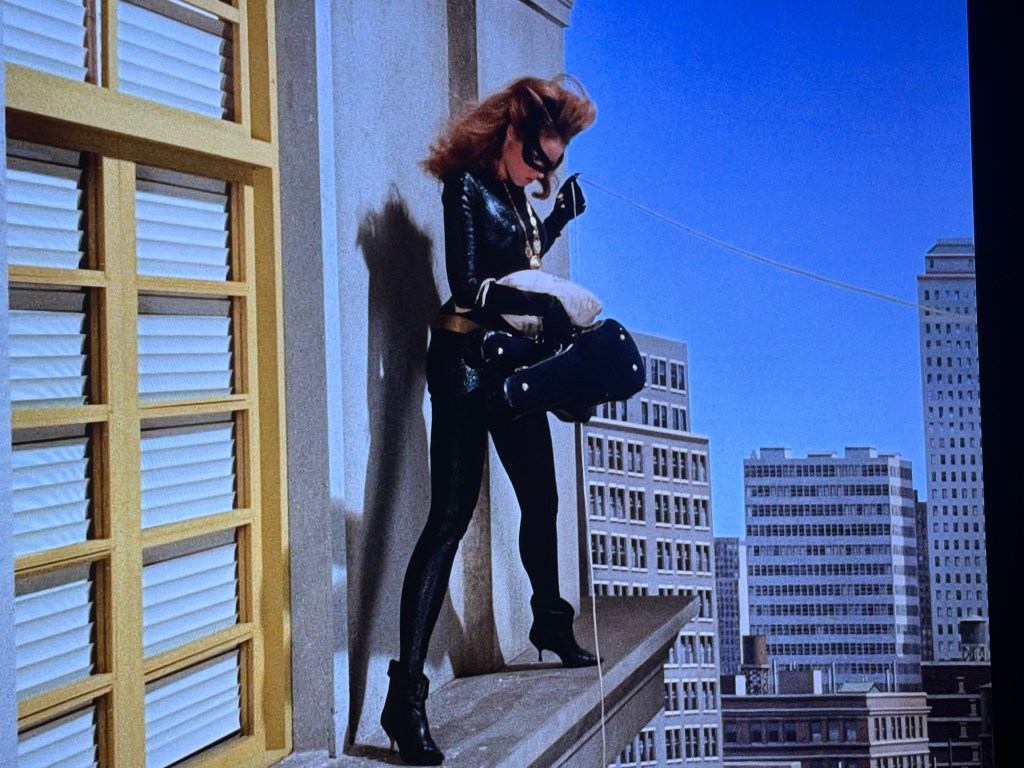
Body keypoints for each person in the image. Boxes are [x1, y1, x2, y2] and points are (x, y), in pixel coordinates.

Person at [380, 75, 598, 766]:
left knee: (542, 495)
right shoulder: (466, 186)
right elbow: (470, 283)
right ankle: (403, 696)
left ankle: (550, 624)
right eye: (538, 159)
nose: (543, 172)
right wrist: (548, 305)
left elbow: (521, 261)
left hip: (511, 363)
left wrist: (556, 218)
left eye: (554, 164)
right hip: (466, 362)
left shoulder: (513, 194)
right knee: (449, 518)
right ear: (510, 135)